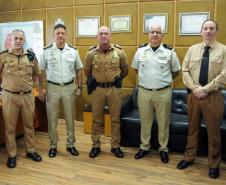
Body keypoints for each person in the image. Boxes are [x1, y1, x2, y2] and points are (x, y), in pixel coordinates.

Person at [177, 19, 226, 179]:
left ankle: (213, 164)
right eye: (205, 28)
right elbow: (185, 71)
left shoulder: (224, 50)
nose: (208, 31)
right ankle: (189, 157)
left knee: (213, 132)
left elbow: (224, 75)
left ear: (216, 31)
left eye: (212, 28)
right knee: (192, 129)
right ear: (201, 31)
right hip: (194, 95)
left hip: (212, 96)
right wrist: (194, 88)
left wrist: (205, 89)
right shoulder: (192, 49)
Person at [131, 24, 181, 163]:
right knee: (145, 122)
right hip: (144, 92)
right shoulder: (140, 51)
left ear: (162, 36)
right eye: (152, 32)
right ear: (148, 35)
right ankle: (144, 147)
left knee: (163, 122)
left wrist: (162, 82)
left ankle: (163, 149)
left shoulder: (170, 52)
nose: (154, 35)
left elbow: (176, 72)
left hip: (163, 93)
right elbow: (136, 69)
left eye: (158, 32)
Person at [0, 29, 44, 168]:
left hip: (27, 97)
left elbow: (38, 74)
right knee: (10, 128)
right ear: (11, 40)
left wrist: (40, 89)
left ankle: (31, 151)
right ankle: (12, 154)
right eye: (16, 38)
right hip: (9, 97)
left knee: (29, 125)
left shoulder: (31, 57)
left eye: (21, 38)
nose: (18, 41)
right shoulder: (3, 56)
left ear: (24, 40)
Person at [39, 24, 83, 158]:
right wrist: (41, 89)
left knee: (70, 117)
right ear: (54, 35)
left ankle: (70, 144)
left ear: (66, 35)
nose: (60, 35)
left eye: (62, 33)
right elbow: (40, 72)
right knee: (52, 119)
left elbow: (79, 70)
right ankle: (53, 145)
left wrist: (80, 87)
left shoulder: (73, 51)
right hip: (52, 88)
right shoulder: (46, 51)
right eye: (57, 33)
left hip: (69, 87)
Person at [84, 26, 128, 158]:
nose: (103, 36)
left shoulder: (119, 52)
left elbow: (125, 70)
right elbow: (87, 71)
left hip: (114, 89)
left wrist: (116, 80)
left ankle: (115, 146)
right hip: (98, 90)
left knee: (115, 120)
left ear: (110, 36)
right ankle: (96, 145)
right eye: (101, 34)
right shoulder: (91, 53)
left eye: (106, 34)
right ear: (97, 37)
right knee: (96, 119)